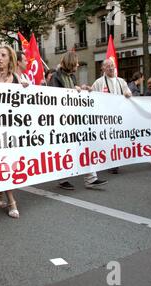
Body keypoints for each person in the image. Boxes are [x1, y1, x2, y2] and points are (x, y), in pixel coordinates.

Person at [51, 52, 108, 190]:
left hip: (75, 118)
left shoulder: (72, 76)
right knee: (66, 149)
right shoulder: (56, 77)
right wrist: (72, 91)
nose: (77, 64)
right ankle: (62, 178)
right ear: (70, 63)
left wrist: (82, 90)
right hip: (63, 120)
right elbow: (54, 96)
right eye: (75, 62)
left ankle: (91, 177)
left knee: (84, 146)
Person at [0, 46, 28, 219]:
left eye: (3, 55)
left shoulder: (17, 79)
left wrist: (25, 88)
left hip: (12, 129)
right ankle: (12, 200)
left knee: (9, 162)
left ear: (10, 59)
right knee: (2, 162)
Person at [92, 58, 132, 174]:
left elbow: (128, 92)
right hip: (105, 118)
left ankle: (115, 161)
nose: (111, 68)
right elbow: (92, 97)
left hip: (119, 117)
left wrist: (128, 94)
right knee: (108, 141)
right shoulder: (99, 82)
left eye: (112, 65)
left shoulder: (121, 81)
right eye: (108, 66)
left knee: (117, 140)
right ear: (103, 68)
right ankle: (110, 162)